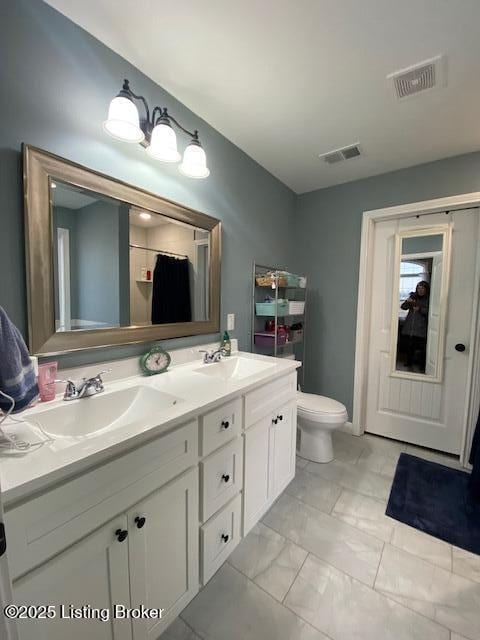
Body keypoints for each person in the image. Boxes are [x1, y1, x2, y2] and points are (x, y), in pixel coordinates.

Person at [400, 281, 430, 372]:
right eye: (418, 288)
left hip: (421, 327)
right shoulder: (413, 297)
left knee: (422, 347)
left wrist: (420, 309)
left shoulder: (428, 299)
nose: (420, 290)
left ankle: (422, 365)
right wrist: (407, 301)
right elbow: (403, 307)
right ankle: (409, 362)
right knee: (409, 346)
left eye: (422, 289)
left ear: (426, 290)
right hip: (410, 326)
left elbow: (430, 311)